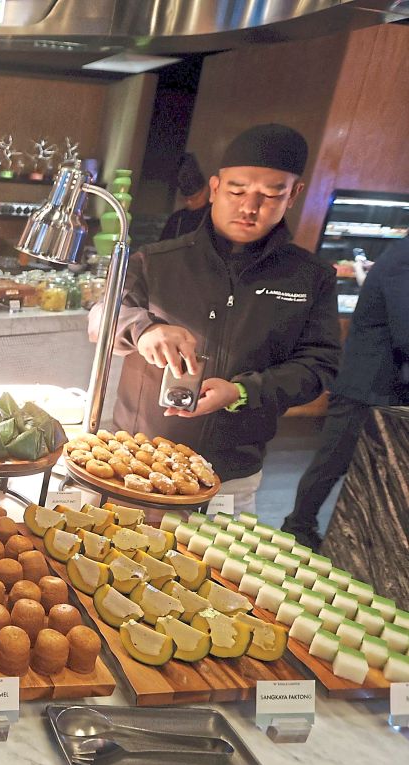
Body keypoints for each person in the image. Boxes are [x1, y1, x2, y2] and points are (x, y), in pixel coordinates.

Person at [89, 123, 341, 515]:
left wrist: (242, 392)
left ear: (294, 194)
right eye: (237, 191)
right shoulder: (155, 260)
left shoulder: (311, 277)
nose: (249, 206)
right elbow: (101, 318)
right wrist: (144, 329)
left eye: (271, 194)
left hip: (231, 474)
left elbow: (319, 366)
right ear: (215, 187)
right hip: (138, 461)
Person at [281, 237, 409, 547]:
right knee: (333, 462)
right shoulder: (404, 259)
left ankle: (348, 537)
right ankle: (298, 528)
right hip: (367, 387)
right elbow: (405, 331)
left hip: (377, 387)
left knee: (365, 468)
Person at [158, 153, 210, 241]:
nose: (189, 202)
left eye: (194, 198)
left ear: (206, 190)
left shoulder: (215, 217)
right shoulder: (175, 220)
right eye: (186, 199)